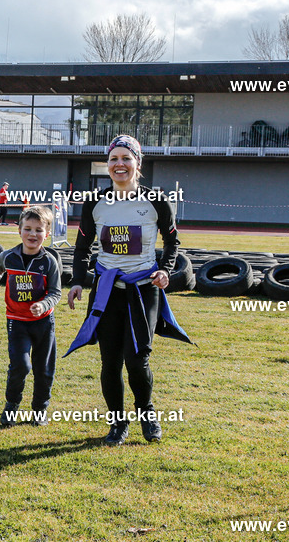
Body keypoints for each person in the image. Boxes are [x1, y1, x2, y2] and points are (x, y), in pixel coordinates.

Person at [65, 135, 193, 445]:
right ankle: (117, 423)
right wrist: (78, 281)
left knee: (138, 359)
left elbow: (172, 241)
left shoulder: (157, 201)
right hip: (107, 290)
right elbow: (83, 246)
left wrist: (165, 269)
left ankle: (147, 414)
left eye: (126, 158)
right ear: (107, 165)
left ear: (137, 163)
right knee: (110, 361)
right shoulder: (94, 202)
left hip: (143, 289)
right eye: (113, 159)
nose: (119, 164)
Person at [0, 206, 62, 427]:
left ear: (46, 233)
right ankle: (11, 406)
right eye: (27, 229)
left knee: (43, 368)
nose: (32, 234)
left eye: (39, 230)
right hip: (17, 322)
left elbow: (56, 292)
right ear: (19, 230)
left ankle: (40, 409)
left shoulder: (49, 261)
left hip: (44, 323)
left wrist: (43, 304)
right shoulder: (8, 257)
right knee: (21, 365)